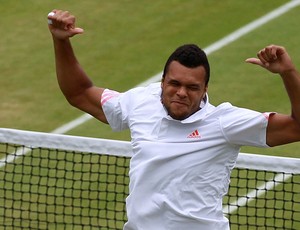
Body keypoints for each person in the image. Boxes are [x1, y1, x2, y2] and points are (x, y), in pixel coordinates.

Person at [47, 10, 300, 230]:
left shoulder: (225, 122)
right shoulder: (140, 103)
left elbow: (296, 128)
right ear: (163, 82)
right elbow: (79, 93)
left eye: (192, 87)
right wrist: (61, 42)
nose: (181, 93)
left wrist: (288, 72)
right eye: (174, 84)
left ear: (205, 89)